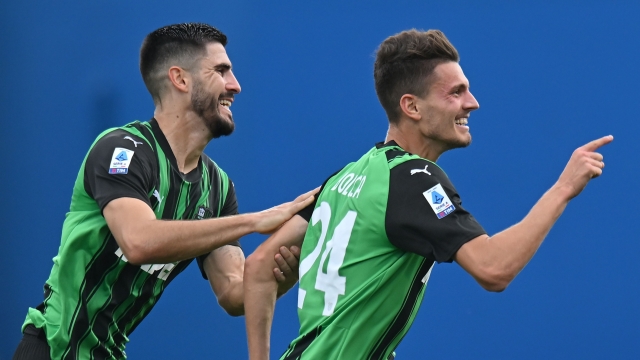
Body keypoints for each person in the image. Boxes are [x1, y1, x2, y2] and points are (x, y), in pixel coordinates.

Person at [242, 29, 613, 360]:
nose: (473, 103)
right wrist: (563, 188)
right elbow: (494, 268)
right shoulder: (414, 178)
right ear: (412, 106)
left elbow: (259, 267)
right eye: (456, 93)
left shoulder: (344, 177)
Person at [13, 23, 314, 360]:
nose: (236, 86)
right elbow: (139, 241)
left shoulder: (217, 187)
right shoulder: (123, 150)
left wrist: (284, 268)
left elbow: (233, 293)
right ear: (180, 79)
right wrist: (256, 221)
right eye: (221, 71)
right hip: (51, 350)